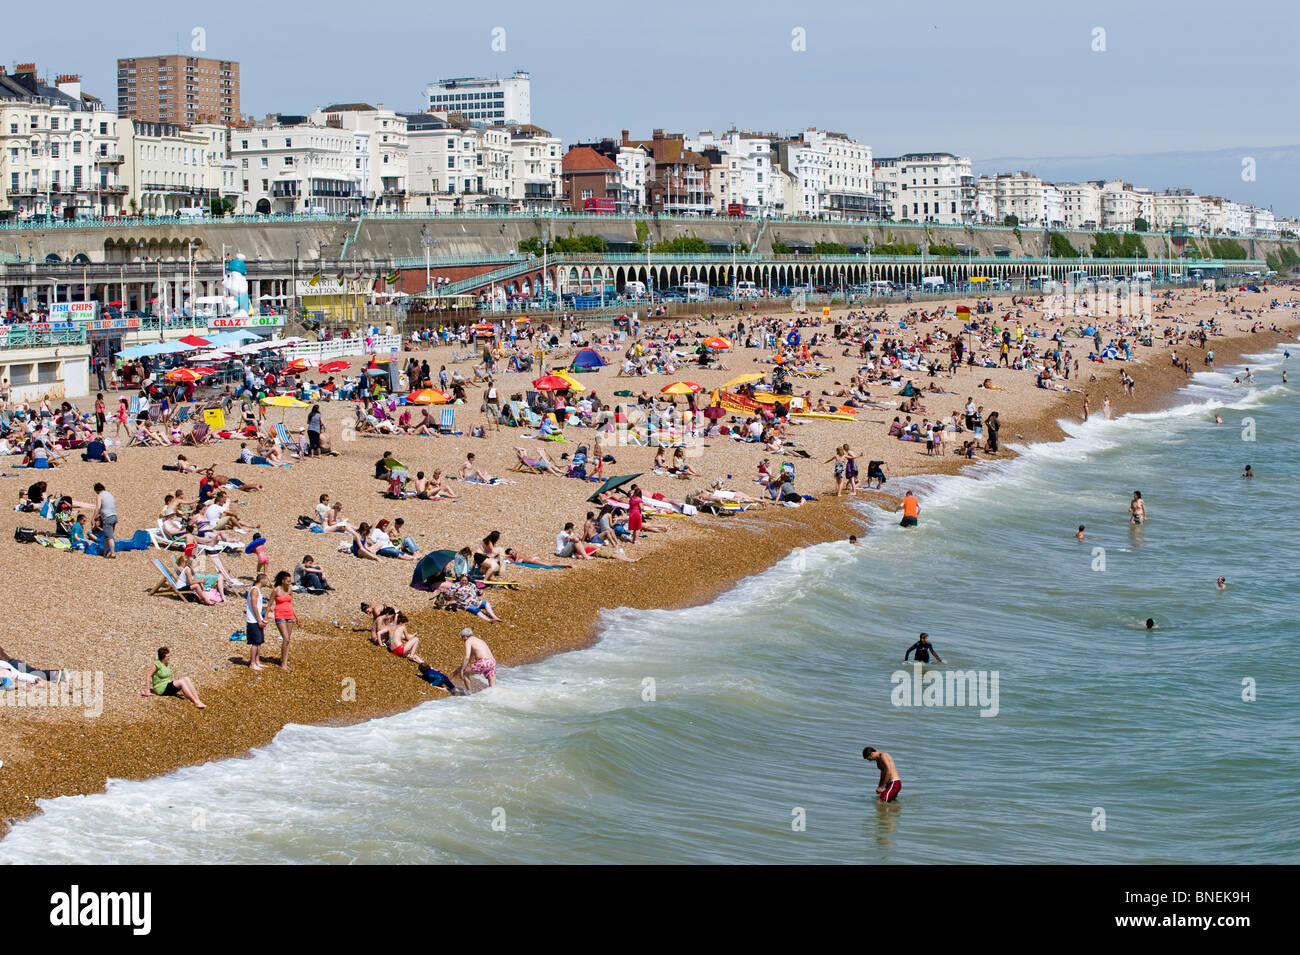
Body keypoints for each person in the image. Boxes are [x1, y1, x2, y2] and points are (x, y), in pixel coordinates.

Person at [245, 573, 270, 671]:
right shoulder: (254, 590)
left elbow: (257, 605)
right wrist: (259, 620)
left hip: (257, 618)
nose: (267, 582)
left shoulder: (258, 590)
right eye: (266, 580)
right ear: (262, 580)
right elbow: (254, 606)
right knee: (255, 642)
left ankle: (257, 661)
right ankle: (252, 663)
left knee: (259, 642)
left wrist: (267, 607)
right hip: (253, 620)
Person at [272, 571, 295, 671]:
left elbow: (291, 604)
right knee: (285, 638)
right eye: (288, 581)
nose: (289, 583)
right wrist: (264, 619)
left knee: (288, 640)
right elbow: (269, 604)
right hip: (279, 615)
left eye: (290, 581)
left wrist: (296, 617)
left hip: (289, 615)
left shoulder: (290, 589)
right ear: (282, 581)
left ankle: (284, 661)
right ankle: (283, 665)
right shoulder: (276, 590)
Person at [92, 482, 117, 558]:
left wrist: (93, 518)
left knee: (109, 537)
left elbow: (98, 507)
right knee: (107, 536)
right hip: (114, 516)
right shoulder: (109, 494)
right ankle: (105, 551)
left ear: (97, 490)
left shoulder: (100, 496)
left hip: (107, 518)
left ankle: (112, 553)